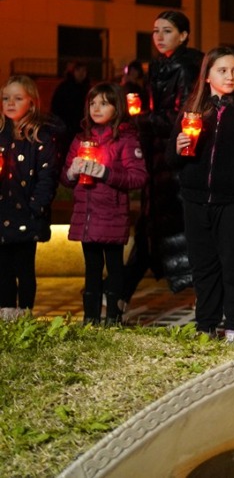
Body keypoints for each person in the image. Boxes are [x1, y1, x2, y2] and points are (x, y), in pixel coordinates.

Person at [168, 47, 234, 341]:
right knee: (203, 265)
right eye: (222, 70)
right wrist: (177, 149)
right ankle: (206, 324)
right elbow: (170, 159)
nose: (230, 76)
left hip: (233, 201)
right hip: (195, 199)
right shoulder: (193, 110)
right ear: (208, 75)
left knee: (232, 263)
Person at [123, 10, 203, 306]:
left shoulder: (184, 66)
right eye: (155, 30)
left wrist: (144, 119)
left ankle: (116, 295)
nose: (158, 36)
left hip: (177, 163)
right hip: (160, 163)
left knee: (173, 232)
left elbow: (181, 115)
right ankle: (116, 295)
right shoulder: (160, 65)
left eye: (166, 31)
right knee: (151, 230)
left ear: (183, 35)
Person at [61, 83, 149, 326]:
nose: (96, 108)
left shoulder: (125, 139)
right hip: (87, 217)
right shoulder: (81, 138)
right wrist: (72, 172)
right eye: (92, 103)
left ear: (117, 107)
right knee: (91, 268)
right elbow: (65, 178)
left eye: (104, 103)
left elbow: (138, 177)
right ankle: (90, 318)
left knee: (114, 267)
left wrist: (106, 172)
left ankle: (113, 316)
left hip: (111, 216)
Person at [0, 76, 61, 320]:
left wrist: (36, 206)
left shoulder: (40, 138)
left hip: (27, 214)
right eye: (5, 98)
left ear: (32, 103)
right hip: (2, 212)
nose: (10, 103)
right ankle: (5, 313)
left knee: (24, 268)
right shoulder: (1, 134)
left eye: (17, 98)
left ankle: (24, 313)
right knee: (3, 269)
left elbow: (48, 176)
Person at [50, 61, 90, 153]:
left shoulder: (87, 88)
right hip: (65, 129)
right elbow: (56, 108)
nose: (81, 73)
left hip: (81, 129)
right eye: (78, 70)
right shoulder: (63, 88)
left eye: (84, 71)